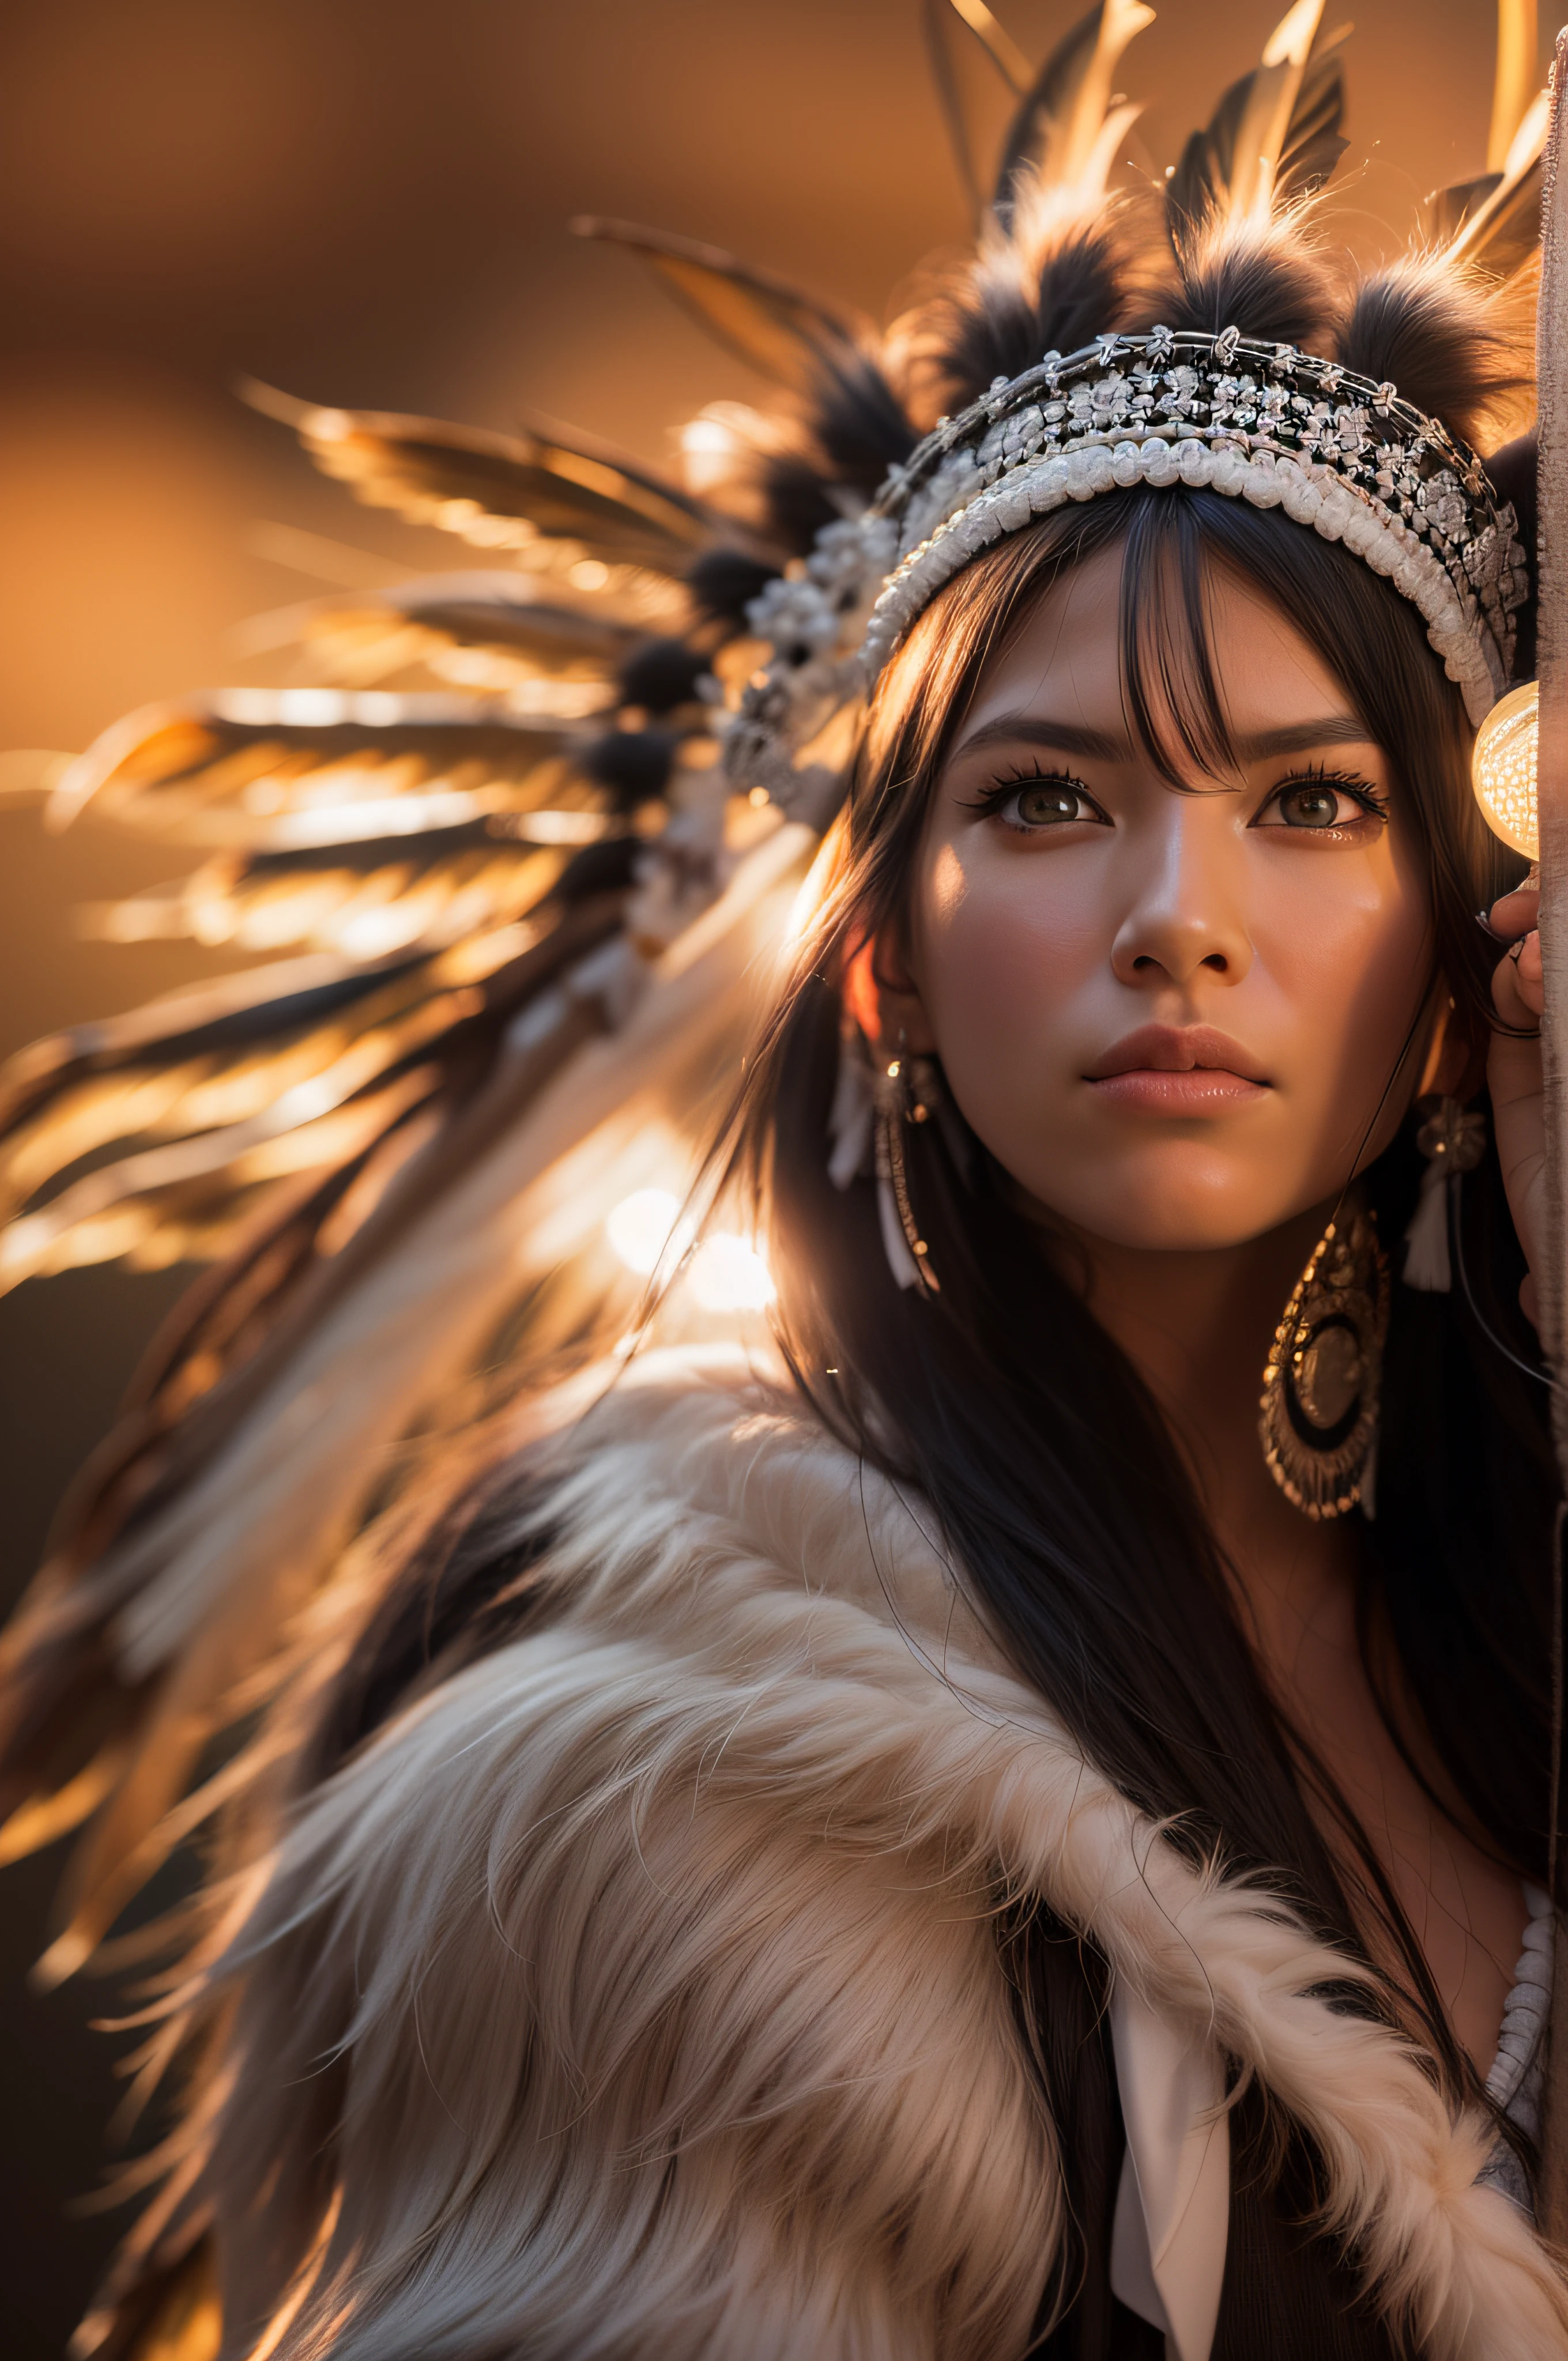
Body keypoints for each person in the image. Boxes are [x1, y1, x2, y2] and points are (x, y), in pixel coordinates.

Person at [4, 6, 1567, 2357]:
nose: (1175, 908)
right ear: (884, 981)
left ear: (1471, 956)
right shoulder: (669, 1791)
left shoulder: (1508, 1605)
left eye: (1311, 802)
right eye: (1041, 801)